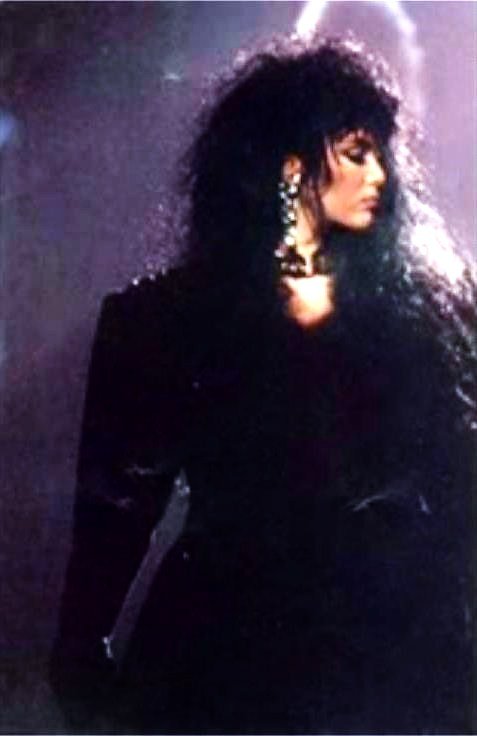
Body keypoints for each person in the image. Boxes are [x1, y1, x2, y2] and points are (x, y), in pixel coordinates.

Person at [50, 33, 476, 733]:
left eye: (380, 153)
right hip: (240, 662)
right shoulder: (160, 322)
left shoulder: (440, 315)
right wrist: (83, 658)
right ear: (287, 168)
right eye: (354, 152)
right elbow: (113, 520)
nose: (379, 174)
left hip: (376, 660)